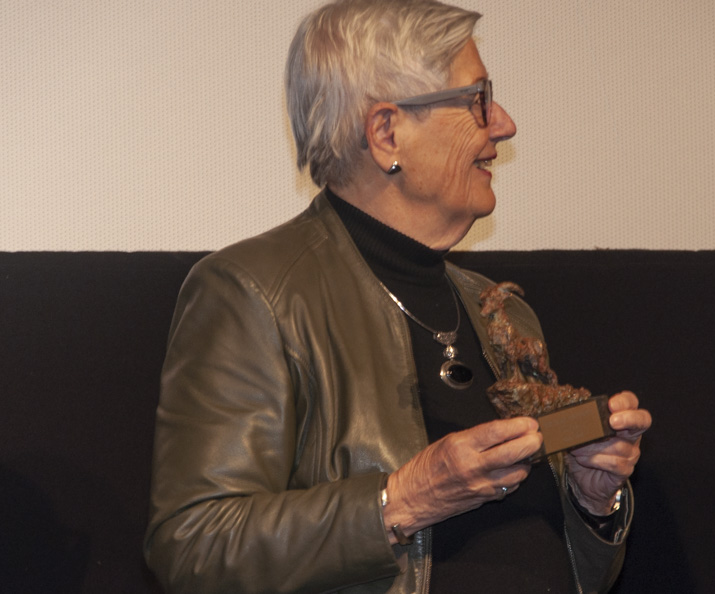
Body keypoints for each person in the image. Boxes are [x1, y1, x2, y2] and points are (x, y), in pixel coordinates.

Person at [144, 1, 652, 592]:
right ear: (387, 132)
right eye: (478, 100)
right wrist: (401, 499)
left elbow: (575, 575)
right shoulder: (254, 294)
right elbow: (193, 546)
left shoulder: (502, 313)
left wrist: (592, 502)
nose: (504, 124)